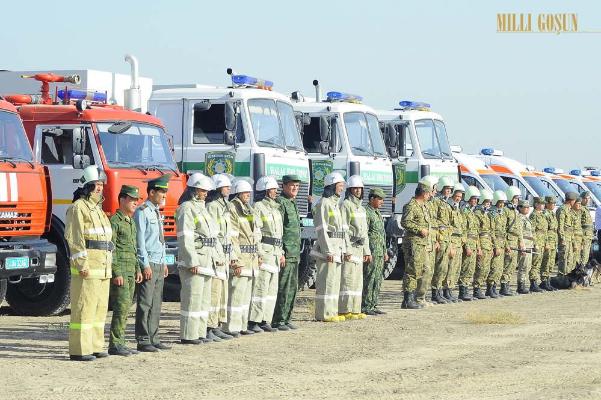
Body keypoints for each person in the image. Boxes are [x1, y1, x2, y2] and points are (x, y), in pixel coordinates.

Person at [66, 165, 113, 361]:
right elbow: (74, 238)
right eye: (96, 184)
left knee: (99, 309)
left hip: (102, 268)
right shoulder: (78, 207)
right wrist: (81, 264)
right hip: (88, 268)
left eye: (101, 184)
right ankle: (80, 350)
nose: (100, 188)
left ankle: (95, 346)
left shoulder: (99, 210)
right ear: (88, 186)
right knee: (84, 309)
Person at [176, 173, 220, 345]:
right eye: (202, 190)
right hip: (195, 261)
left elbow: (213, 236)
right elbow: (185, 237)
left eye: (206, 191)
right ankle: (189, 334)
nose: (205, 194)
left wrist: (216, 258)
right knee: (192, 299)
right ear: (194, 190)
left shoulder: (204, 208)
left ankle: (200, 332)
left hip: (208, 260)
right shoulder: (187, 208)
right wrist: (191, 261)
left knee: (203, 300)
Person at [134, 174, 172, 352]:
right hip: (149, 262)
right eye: (161, 192)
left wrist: (164, 262)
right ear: (151, 193)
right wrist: (145, 264)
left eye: (165, 192)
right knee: (145, 302)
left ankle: (154, 337)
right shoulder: (142, 212)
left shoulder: (156, 212)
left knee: (157, 302)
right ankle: (143, 339)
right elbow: (140, 241)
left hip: (158, 262)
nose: (164, 195)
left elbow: (160, 241)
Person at [108, 185, 143, 357]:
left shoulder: (130, 222)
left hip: (130, 271)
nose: (135, 203)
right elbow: (111, 248)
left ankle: (120, 342)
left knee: (127, 308)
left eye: (137, 200)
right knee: (121, 308)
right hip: (121, 270)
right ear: (122, 200)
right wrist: (116, 273)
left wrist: (137, 269)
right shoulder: (115, 221)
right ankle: (115, 344)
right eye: (132, 199)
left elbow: (134, 248)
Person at [222, 179, 259, 335]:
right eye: (245, 193)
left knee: (245, 296)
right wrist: (235, 260)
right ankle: (232, 327)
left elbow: (256, 234)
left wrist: (258, 254)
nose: (247, 195)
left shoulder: (249, 209)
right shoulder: (233, 208)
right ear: (237, 193)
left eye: (249, 193)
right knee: (236, 294)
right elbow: (232, 237)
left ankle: (242, 326)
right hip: (241, 257)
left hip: (251, 258)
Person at [311, 172, 348, 322]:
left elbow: (341, 230)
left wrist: (343, 249)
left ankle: (332, 312)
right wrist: (327, 250)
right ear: (332, 186)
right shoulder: (324, 203)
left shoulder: (335, 204)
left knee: (333, 283)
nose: (342, 188)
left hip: (337, 249)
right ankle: (324, 313)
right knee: (326, 283)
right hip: (328, 250)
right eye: (340, 186)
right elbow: (321, 229)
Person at [249, 176, 284, 332]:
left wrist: (281, 253)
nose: (275, 192)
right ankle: (254, 321)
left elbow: (279, 235)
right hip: (265, 252)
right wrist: (259, 253)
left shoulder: (275, 209)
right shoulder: (258, 207)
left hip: (276, 254)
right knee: (260, 289)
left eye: (276, 189)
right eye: (272, 189)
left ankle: (265, 320)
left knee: (271, 291)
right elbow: (256, 232)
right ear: (264, 190)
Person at [206, 174, 235, 340]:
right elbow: (213, 234)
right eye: (226, 186)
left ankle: (217, 324)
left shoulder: (225, 206)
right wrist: (218, 255)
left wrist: (230, 255)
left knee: (222, 293)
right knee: (214, 292)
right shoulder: (212, 206)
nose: (229, 189)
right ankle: (209, 326)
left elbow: (228, 234)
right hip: (216, 256)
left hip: (224, 255)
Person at [272, 175, 302, 331]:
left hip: (294, 253)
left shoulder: (292, 203)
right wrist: (281, 252)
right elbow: (279, 230)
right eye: (292, 185)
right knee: (282, 287)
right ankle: (278, 319)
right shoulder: (281, 203)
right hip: (286, 252)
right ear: (283, 186)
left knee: (292, 287)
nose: (295, 188)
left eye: (297, 186)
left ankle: (286, 318)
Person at [339, 175, 370, 319]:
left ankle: (355, 309)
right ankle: (345, 309)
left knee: (358, 281)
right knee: (348, 279)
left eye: (360, 188)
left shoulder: (362, 209)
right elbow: (343, 229)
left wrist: (367, 251)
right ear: (350, 190)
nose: (358, 191)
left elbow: (365, 233)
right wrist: (347, 250)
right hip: (350, 246)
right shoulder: (346, 205)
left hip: (360, 247)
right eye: (355, 188)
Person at [400, 176, 433, 309]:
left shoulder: (424, 206)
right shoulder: (411, 205)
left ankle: (418, 298)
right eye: (429, 193)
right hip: (413, 243)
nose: (430, 195)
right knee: (412, 270)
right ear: (424, 193)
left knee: (425, 270)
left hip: (422, 244)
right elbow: (405, 222)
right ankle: (408, 300)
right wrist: (419, 229)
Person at [362, 188, 388, 315]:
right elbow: (365, 233)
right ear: (372, 199)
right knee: (369, 278)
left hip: (379, 252)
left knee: (377, 279)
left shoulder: (377, 213)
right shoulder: (366, 212)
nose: (382, 201)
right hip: (371, 252)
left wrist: (384, 251)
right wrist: (366, 251)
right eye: (380, 199)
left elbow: (381, 235)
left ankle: (373, 304)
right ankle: (365, 305)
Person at [430, 176, 454, 304]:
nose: (448, 192)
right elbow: (435, 221)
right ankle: (435, 292)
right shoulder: (436, 202)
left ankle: (440, 291)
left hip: (447, 238)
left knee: (444, 266)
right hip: (440, 237)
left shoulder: (447, 204)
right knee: (438, 266)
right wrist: (436, 239)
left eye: (450, 189)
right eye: (446, 189)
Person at [500, 186, 524, 296]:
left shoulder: (516, 211)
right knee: (507, 263)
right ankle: (503, 286)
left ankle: (508, 284)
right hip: (508, 241)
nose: (517, 200)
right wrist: (505, 244)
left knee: (513, 264)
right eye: (515, 198)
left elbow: (519, 229)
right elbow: (502, 229)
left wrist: (521, 242)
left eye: (518, 198)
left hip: (515, 240)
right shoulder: (505, 211)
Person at [458, 186, 480, 301]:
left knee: (471, 268)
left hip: (474, 242)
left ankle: (466, 290)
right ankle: (463, 291)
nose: (475, 201)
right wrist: (466, 246)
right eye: (473, 199)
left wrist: (478, 247)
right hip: (468, 242)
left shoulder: (472, 212)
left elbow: (476, 231)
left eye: (476, 199)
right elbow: (464, 230)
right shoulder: (464, 211)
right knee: (466, 267)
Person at [443, 183, 465, 302]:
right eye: (457, 196)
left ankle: (450, 290)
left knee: (456, 268)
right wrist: (450, 245)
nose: (458, 198)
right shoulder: (449, 207)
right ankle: (446, 291)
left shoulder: (458, 209)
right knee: (450, 267)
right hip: (452, 241)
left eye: (460, 197)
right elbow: (448, 227)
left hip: (458, 242)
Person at [473, 189, 494, 300]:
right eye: (486, 202)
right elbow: (477, 232)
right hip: (481, 242)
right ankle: (477, 288)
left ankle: (481, 288)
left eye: (489, 202)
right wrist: (478, 247)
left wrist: (491, 246)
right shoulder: (478, 214)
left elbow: (490, 232)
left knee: (486, 268)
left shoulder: (487, 214)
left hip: (488, 243)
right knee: (480, 267)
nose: (488, 204)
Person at [488, 190, 508, 298]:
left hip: (502, 242)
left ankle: (495, 286)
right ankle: (490, 287)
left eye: (503, 202)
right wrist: (495, 246)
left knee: (500, 268)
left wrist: (506, 245)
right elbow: (492, 231)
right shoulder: (492, 214)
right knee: (495, 266)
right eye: (500, 202)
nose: (501, 204)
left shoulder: (502, 214)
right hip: (495, 242)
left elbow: (504, 231)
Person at [516, 200, 537, 294]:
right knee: (523, 266)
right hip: (524, 244)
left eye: (528, 207)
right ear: (520, 208)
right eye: (525, 207)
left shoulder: (526, 218)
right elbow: (519, 232)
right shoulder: (519, 218)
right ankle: (521, 286)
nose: (527, 209)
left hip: (529, 244)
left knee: (527, 266)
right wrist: (522, 244)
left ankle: (523, 284)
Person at [556, 192, 577, 279]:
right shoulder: (562, 210)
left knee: (569, 259)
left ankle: (567, 277)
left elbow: (570, 228)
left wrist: (573, 241)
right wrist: (562, 239)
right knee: (563, 258)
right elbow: (560, 226)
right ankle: (561, 277)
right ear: (571, 201)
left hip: (569, 238)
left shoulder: (569, 210)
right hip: (564, 238)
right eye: (574, 201)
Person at [529, 197, 547, 293]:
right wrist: (535, 243)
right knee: (535, 263)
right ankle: (533, 283)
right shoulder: (534, 215)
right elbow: (532, 231)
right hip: (537, 242)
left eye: (543, 204)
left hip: (543, 241)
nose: (543, 205)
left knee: (539, 263)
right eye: (541, 204)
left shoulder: (542, 215)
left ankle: (539, 282)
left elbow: (545, 230)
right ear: (536, 204)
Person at [540, 196, 559, 291]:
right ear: (547, 203)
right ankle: (543, 281)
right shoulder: (545, 214)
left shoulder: (552, 214)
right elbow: (545, 230)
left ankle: (548, 280)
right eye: (552, 203)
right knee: (546, 262)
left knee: (551, 262)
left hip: (553, 241)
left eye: (555, 203)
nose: (554, 205)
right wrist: (546, 242)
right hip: (547, 241)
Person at [580, 192, 594, 266]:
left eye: (588, 199)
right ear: (581, 199)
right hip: (583, 236)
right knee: (583, 255)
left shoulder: (586, 209)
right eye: (585, 199)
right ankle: (579, 271)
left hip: (588, 236)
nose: (587, 200)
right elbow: (578, 224)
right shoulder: (580, 209)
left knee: (586, 255)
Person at [571, 198, 584, 268]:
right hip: (573, 240)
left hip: (579, 240)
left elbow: (580, 229)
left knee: (577, 259)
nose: (579, 205)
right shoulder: (571, 214)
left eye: (580, 204)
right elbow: (570, 230)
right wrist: (574, 243)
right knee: (572, 259)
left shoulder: (578, 214)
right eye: (578, 204)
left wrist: (581, 242)